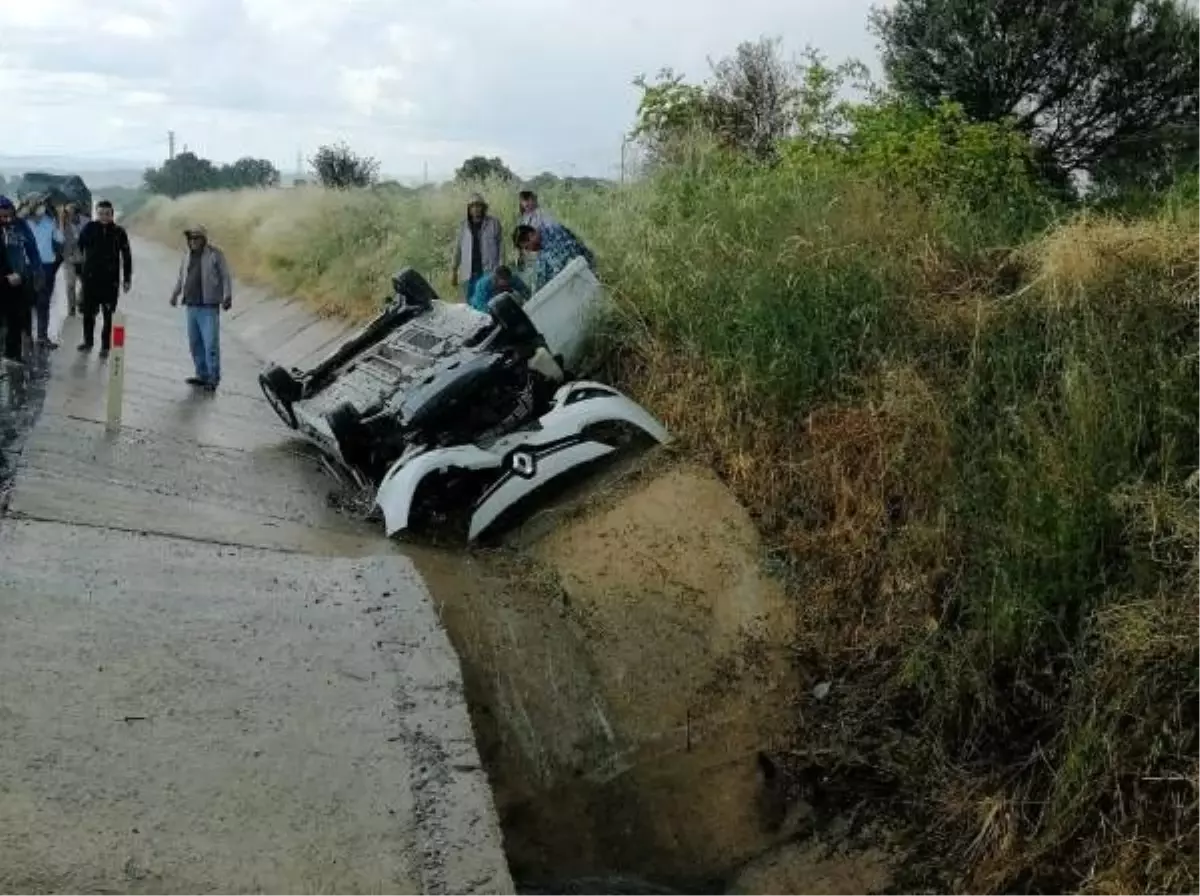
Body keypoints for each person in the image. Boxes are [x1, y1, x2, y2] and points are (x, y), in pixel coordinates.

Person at [168, 225, 233, 392]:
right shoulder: (187, 256)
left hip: (209, 306)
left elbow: (225, 276)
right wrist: (175, 294)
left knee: (210, 343)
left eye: (196, 238)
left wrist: (227, 296)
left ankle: (213, 377)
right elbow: (181, 277)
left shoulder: (215, 255)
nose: (192, 241)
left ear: (203, 239)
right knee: (195, 343)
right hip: (191, 305)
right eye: (190, 238)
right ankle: (201, 374)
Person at [77, 200, 132, 358]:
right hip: (90, 279)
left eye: (107, 214)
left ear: (112, 214)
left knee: (109, 316)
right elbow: (78, 247)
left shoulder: (119, 232)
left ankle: (106, 347)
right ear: (96, 213)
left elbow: (126, 256)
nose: (104, 217)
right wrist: (80, 270)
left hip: (110, 282)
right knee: (88, 314)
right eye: (100, 213)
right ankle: (88, 342)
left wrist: (127, 278)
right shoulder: (89, 228)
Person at [0, 196, 44, 364]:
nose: (7, 219)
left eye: (9, 215)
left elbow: (32, 248)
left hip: (19, 279)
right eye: (3, 216)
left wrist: (37, 270)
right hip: (3, 279)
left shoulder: (20, 225)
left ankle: (13, 356)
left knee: (16, 318)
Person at [25, 196, 64, 348]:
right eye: (35, 204)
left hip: (47, 266)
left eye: (41, 204)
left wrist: (60, 220)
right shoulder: (24, 224)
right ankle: (27, 335)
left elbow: (60, 239)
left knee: (43, 302)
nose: (38, 207)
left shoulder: (50, 222)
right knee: (27, 302)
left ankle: (42, 337)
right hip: (29, 266)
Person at [513, 222, 596, 290]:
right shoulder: (541, 251)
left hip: (588, 272)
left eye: (527, 247)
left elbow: (570, 257)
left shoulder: (554, 232)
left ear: (531, 235)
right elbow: (541, 278)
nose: (529, 250)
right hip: (576, 281)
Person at [450, 193, 502, 300]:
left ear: (483, 207)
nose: (476, 209)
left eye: (478, 205)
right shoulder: (463, 226)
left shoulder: (494, 223)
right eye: (472, 206)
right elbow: (457, 249)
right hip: (469, 274)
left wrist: (501, 271)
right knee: (471, 307)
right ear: (469, 209)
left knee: (489, 303)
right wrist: (453, 270)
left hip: (489, 272)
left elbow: (501, 248)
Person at [60, 202, 90, 317]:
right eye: (67, 213)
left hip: (84, 258)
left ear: (77, 213)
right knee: (70, 284)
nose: (69, 216)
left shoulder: (86, 222)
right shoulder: (63, 223)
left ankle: (80, 301)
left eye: (71, 213)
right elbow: (60, 239)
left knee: (86, 283)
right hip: (69, 258)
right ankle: (71, 309)